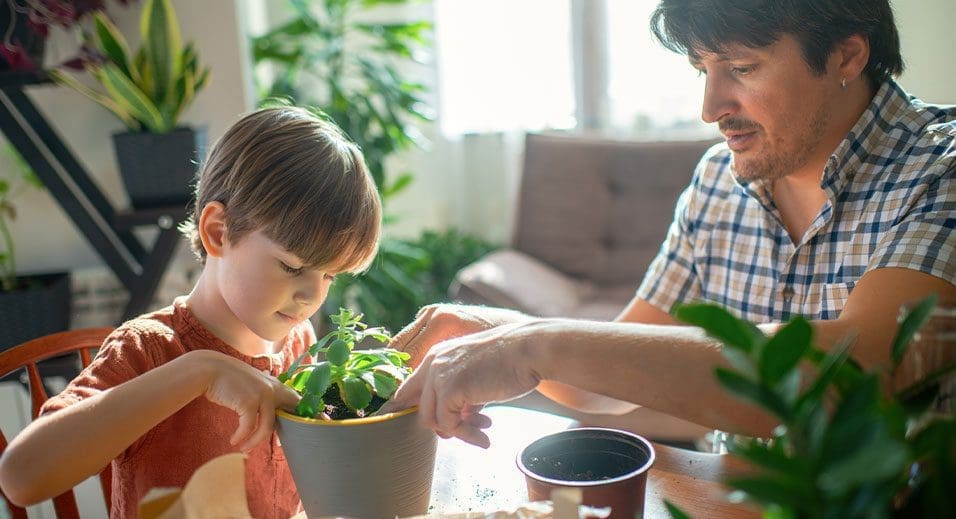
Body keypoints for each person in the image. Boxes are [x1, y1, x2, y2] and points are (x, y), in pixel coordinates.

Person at [378, 0, 955, 449]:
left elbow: (858, 371)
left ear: (847, 57)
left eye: (741, 67)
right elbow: (607, 379)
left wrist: (535, 345)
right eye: (702, 68)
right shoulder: (717, 180)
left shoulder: (941, 170)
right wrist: (498, 329)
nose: (711, 106)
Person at [0, 107, 382, 518]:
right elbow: (22, 477)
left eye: (330, 276)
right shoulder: (148, 350)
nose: (312, 294)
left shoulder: (299, 343)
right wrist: (200, 372)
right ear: (218, 232)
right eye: (292, 266)